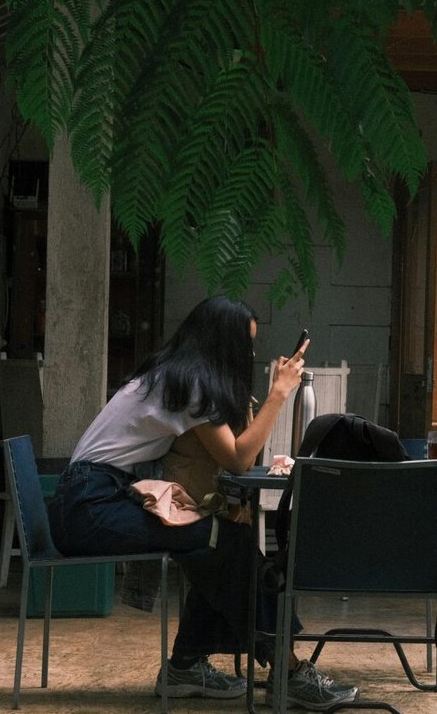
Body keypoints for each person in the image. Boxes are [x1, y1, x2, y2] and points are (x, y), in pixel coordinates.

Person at [47, 296, 358, 710]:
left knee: (215, 544)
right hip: (89, 505)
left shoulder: (174, 375)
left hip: (91, 496)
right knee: (223, 540)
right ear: (221, 344)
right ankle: (284, 669)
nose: (249, 354)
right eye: (245, 345)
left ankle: (188, 664)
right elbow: (238, 457)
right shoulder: (191, 385)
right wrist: (279, 393)